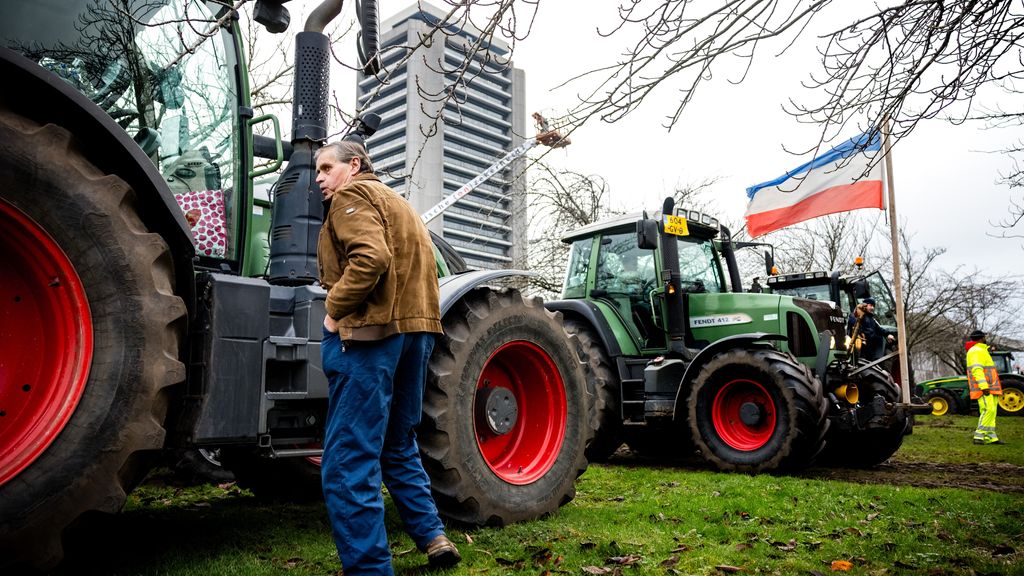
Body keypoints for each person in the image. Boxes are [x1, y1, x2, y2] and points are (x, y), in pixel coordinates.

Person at [315, 139, 460, 574]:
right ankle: (433, 538)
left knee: (348, 459)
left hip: (371, 336)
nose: (319, 178)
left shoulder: (351, 196)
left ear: (353, 165)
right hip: (415, 333)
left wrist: (332, 310)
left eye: (325, 168)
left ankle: (369, 568)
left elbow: (371, 258)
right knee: (398, 444)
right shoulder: (398, 203)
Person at [965, 330, 1004, 445]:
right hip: (985, 388)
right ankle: (979, 435)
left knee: (992, 411)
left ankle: (991, 437)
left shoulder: (981, 350)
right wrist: (984, 387)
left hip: (991, 387)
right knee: (988, 410)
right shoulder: (976, 351)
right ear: (981, 338)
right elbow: (977, 370)